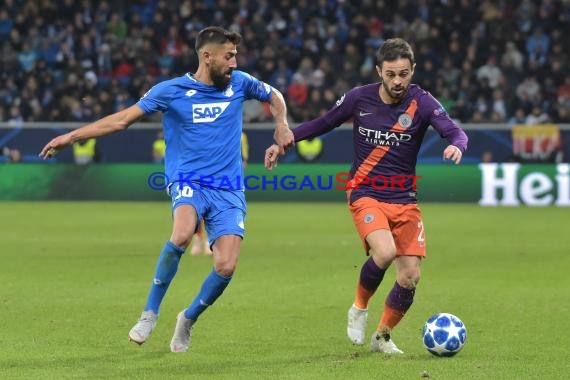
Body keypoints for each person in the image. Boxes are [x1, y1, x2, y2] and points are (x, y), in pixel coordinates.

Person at [39, 26, 294, 353]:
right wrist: (72, 136)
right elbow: (122, 120)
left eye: (235, 55)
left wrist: (282, 123)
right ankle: (149, 312)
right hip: (187, 180)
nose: (234, 62)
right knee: (183, 233)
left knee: (226, 267)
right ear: (207, 56)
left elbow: (275, 96)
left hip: (228, 187)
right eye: (228, 56)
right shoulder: (171, 91)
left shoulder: (241, 83)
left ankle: (188, 318)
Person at [265, 38, 468, 354]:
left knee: (410, 276)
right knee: (384, 252)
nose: (397, 81)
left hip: (404, 199)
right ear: (379, 71)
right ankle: (359, 308)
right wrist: (284, 141)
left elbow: (456, 132)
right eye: (390, 74)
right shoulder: (359, 98)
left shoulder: (423, 103)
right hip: (365, 191)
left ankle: (382, 336)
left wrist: (457, 145)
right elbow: (324, 123)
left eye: (403, 73)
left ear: (412, 70)